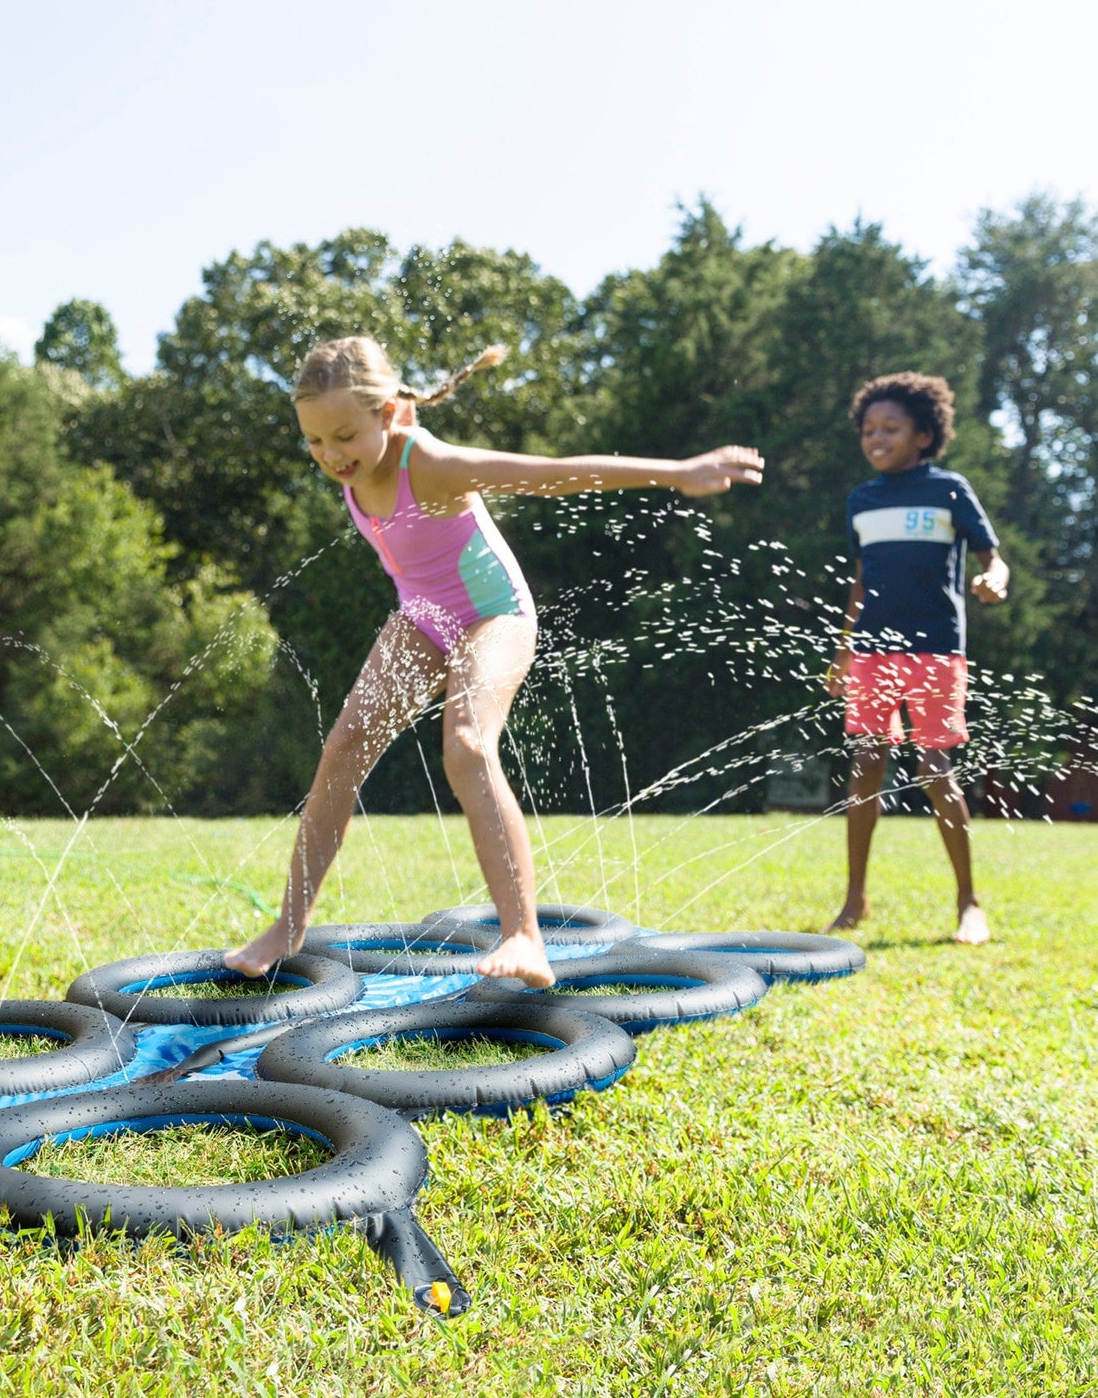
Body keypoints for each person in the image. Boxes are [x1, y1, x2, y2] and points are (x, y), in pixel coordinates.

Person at [225, 335, 764, 989]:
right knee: (343, 747)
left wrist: (678, 472)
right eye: (313, 442)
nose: (330, 455)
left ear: (390, 413)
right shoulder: (353, 463)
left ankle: (523, 936)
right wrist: (339, 448)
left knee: (467, 745)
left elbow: (550, 473)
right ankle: (288, 924)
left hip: (494, 614)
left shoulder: (432, 464)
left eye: (343, 435)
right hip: (422, 617)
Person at [824, 371, 1009, 945]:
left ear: (924, 436)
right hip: (873, 653)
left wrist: (994, 581)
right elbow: (860, 581)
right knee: (866, 767)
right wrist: (843, 651)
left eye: (891, 428)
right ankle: (854, 901)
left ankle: (968, 903)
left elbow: (993, 560)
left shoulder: (949, 490)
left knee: (935, 769)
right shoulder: (861, 499)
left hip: (935, 650)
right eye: (869, 429)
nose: (877, 438)